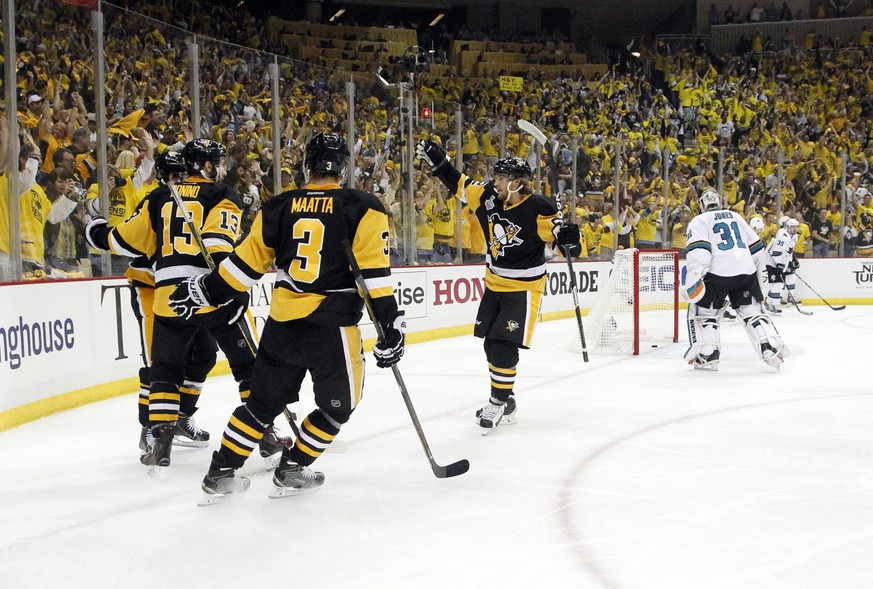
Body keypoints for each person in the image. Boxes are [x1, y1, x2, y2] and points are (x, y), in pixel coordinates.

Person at [168, 133, 403, 501]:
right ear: (343, 167)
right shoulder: (364, 206)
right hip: (333, 328)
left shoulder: (277, 206)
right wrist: (391, 326)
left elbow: (243, 266)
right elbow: (374, 276)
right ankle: (293, 465)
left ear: (307, 165)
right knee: (339, 406)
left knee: (260, 405)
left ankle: (221, 471)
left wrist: (205, 291)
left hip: (283, 328)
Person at [85, 139, 286, 468]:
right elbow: (217, 246)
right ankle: (264, 433)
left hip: (168, 298)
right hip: (209, 292)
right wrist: (231, 290)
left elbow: (123, 239)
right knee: (250, 366)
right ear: (206, 165)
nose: (221, 167)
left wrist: (96, 231)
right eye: (217, 161)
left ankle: (161, 443)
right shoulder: (222, 195)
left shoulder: (159, 197)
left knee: (165, 370)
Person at [416, 139, 581, 433]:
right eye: (497, 177)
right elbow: (459, 184)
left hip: (525, 288)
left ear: (518, 183)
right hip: (494, 283)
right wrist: (438, 161)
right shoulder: (489, 196)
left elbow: (568, 248)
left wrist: (570, 237)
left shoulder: (539, 207)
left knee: (504, 344)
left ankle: (499, 400)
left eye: (502, 178)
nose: (496, 182)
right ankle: (507, 399)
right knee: (491, 343)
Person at [680, 188, 788, 370]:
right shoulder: (735, 216)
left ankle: (708, 354)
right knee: (753, 312)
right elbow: (756, 249)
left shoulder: (699, 220)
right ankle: (770, 346)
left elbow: (700, 253)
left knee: (706, 314)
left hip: (717, 273)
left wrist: (696, 275)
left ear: (701, 205)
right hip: (746, 271)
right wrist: (743, 266)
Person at [764, 218, 800, 312]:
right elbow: (775, 253)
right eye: (792, 227)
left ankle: (768, 303)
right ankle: (775, 305)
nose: (795, 229)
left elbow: (789, 250)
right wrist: (779, 264)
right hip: (772, 260)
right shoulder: (783, 236)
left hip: (782, 260)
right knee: (778, 283)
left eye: (796, 227)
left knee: (779, 283)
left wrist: (792, 259)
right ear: (787, 227)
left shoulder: (795, 236)